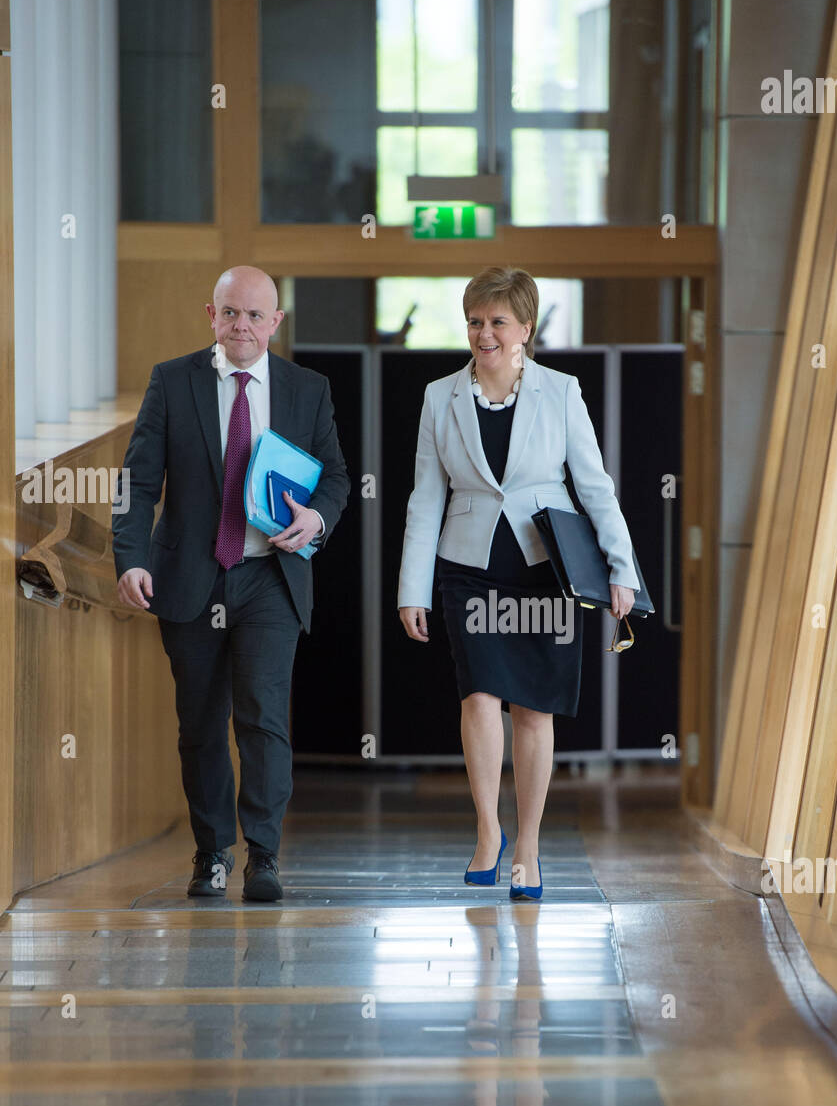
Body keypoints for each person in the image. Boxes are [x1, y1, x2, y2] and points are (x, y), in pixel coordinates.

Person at [397, 266, 637, 900]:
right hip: (468, 568)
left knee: (534, 709)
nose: (485, 333)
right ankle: (487, 830)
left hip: (545, 570)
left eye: (498, 321)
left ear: (526, 327)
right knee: (478, 696)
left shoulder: (561, 392)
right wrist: (411, 589)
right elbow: (425, 499)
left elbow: (594, 486)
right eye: (475, 321)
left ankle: (527, 843)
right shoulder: (438, 396)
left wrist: (622, 569)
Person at [112, 266, 351, 902]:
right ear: (210, 315)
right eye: (230, 313)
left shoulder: (308, 389)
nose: (241, 325)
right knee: (200, 724)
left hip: (268, 577)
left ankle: (264, 856)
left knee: (264, 720)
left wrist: (316, 517)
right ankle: (212, 852)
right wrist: (130, 559)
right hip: (190, 578)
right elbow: (136, 482)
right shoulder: (172, 381)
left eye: (254, 315)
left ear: (276, 322)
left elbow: (336, 478)